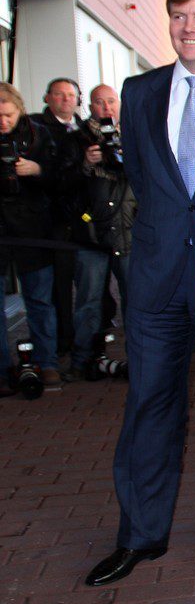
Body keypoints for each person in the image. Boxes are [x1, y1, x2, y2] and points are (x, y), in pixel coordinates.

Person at [85, 0, 195, 588]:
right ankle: (140, 533)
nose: (189, 27)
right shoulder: (138, 92)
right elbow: (148, 179)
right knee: (149, 404)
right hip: (154, 279)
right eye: (179, 16)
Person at [62, 84, 136, 380]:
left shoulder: (133, 136)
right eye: (99, 103)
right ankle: (83, 361)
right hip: (90, 233)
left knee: (135, 301)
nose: (106, 108)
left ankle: (139, 363)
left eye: (111, 101)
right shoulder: (76, 139)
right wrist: (84, 163)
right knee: (89, 301)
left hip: (128, 230)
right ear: (90, 107)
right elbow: (60, 184)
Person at [0, 82, 60, 387]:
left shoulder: (38, 134)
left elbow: (61, 177)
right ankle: (2, 371)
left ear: (19, 109)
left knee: (39, 301)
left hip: (34, 229)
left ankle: (47, 362)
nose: (3, 122)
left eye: (8, 115)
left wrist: (37, 169)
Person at [32, 78, 83, 357]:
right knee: (58, 285)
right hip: (51, 220)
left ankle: (83, 336)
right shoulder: (35, 129)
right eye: (59, 95)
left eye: (70, 95)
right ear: (47, 98)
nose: (65, 99)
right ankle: (63, 340)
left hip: (81, 218)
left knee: (86, 282)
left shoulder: (85, 129)